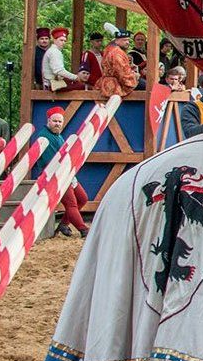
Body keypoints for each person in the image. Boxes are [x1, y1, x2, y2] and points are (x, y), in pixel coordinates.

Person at [37, 107, 89, 238]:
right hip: (57, 175)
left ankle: (64, 224)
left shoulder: (58, 136)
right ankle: (83, 230)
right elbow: (50, 162)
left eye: (60, 122)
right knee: (71, 203)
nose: (57, 124)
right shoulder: (44, 136)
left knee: (82, 198)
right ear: (48, 121)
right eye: (55, 121)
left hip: (67, 172)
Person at [94, 30, 139, 99]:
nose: (127, 42)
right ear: (117, 40)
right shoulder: (117, 52)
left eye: (128, 40)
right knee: (146, 86)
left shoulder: (108, 49)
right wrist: (135, 77)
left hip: (106, 83)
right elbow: (122, 73)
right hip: (115, 86)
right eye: (124, 40)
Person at [42, 28, 89, 92]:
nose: (63, 43)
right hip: (52, 84)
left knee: (77, 84)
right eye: (61, 40)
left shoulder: (54, 51)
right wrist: (75, 77)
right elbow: (59, 71)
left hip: (53, 82)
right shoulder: (54, 52)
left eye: (65, 41)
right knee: (82, 86)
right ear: (54, 40)